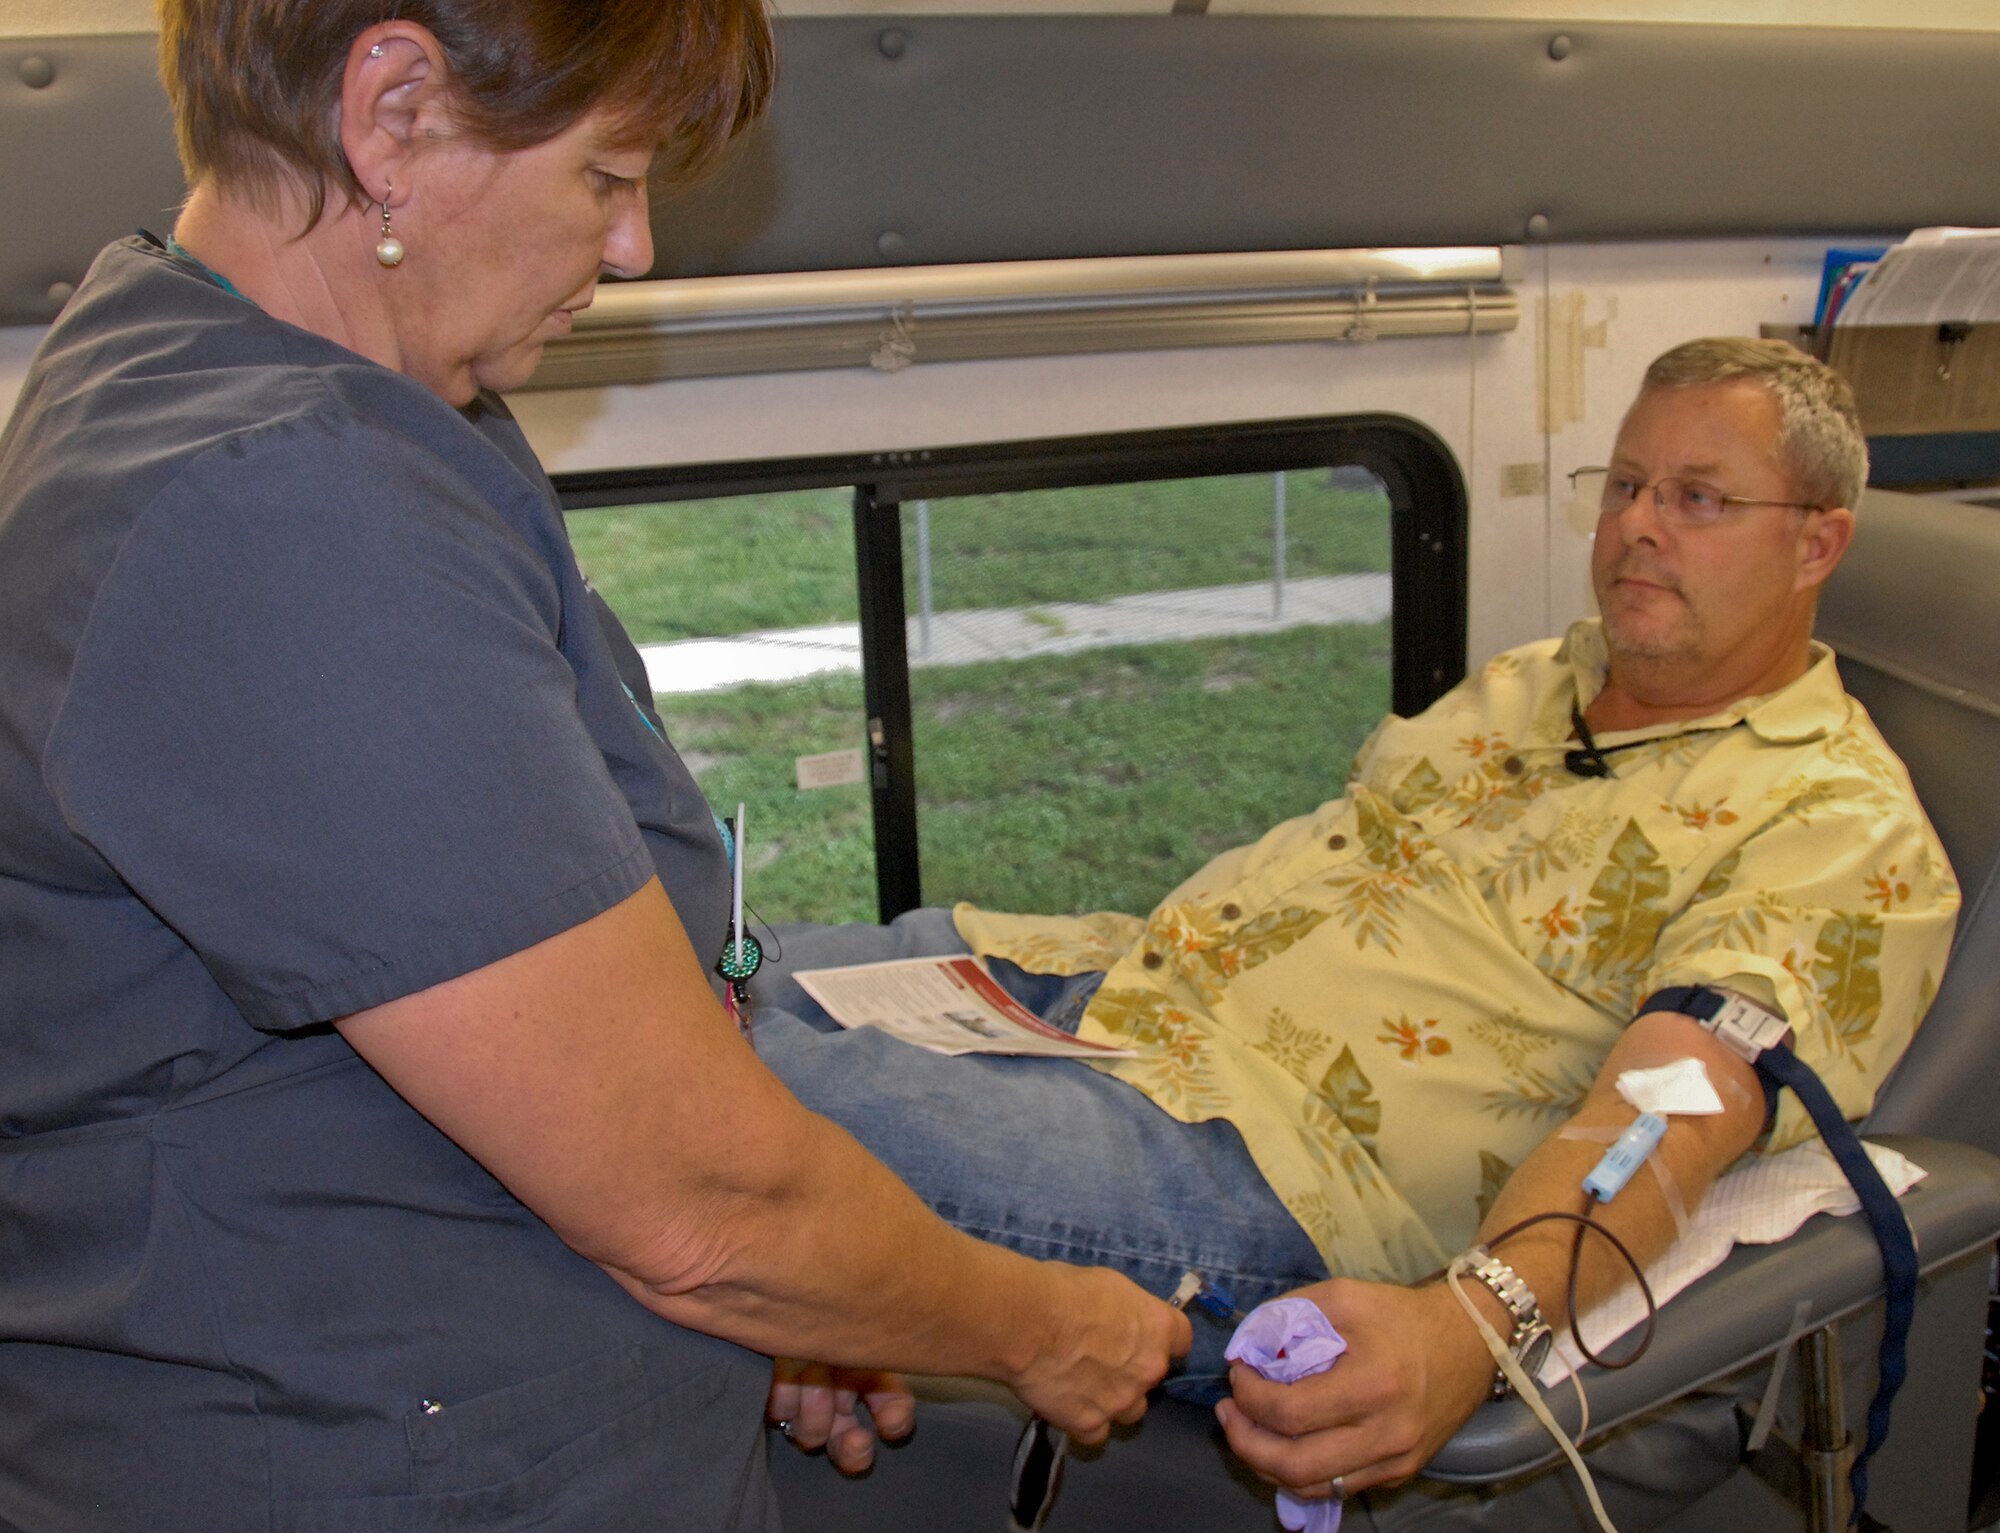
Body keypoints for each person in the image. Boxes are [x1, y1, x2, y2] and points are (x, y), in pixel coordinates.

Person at [0, 4, 1190, 1528]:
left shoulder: (288, 391)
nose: (632, 251)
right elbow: (703, 1200)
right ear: (397, 112)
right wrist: (1043, 1328)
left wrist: (816, 1302)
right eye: (608, 177)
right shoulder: (283, 508)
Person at [748, 338, 1959, 1524]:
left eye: (1696, 499)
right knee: (713, 962)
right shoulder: (1545, 677)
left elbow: (1668, 1114)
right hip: (1113, 989)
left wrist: (1475, 1320)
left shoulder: (1835, 829)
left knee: (697, 1087)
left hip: (1266, 1162)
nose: (1637, 524)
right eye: (1626, 485)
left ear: (1816, 542)